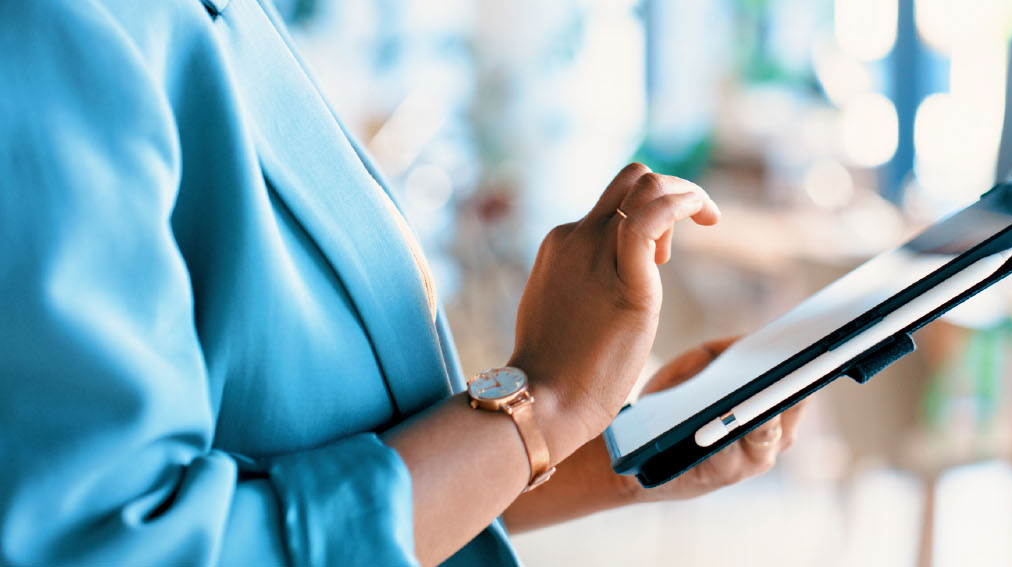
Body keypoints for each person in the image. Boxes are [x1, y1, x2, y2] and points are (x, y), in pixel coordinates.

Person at [0, 1, 805, 565]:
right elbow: (115, 545)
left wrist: (613, 454)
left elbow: (314, 461)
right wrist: (544, 397)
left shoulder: (226, 18)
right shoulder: (52, 28)